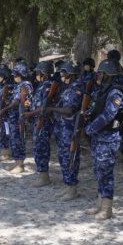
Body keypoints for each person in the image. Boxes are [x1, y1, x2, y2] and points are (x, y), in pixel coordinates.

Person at [85, 59, 123, 220]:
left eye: (101, 73)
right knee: (98, 171)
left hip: (108, 138)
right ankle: (99, 204)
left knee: (106, 172)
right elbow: (96, 108)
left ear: (107, 75)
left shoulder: (115, 93)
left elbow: (108, 115)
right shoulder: (102, 90)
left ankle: (107, 209)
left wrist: (90, 128)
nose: (98, 75)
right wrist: (88, 114)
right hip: (98, 138)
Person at [45, 62, 87, 200]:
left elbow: (69, 110)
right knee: (63, 157)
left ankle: (72, 189)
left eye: (64, 73)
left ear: (71, 74)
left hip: (70, 129)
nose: (62, 76)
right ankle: (67, 186)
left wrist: (52, 109)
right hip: (62, 128)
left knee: (70, 158)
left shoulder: (76, 88)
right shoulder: (68, 87)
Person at [23, 61, 58, 187]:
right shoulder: (41, 85)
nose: (36, 75)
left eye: (38, 72)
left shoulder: (48, 86)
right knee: (37, 148)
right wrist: (29, 105)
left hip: (43, 122)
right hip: (37, 120)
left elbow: (45, 106)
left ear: (44, 73)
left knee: (41, 148)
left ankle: (44, 177)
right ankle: (42, 175)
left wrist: (30, 114)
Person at [0, 63, 33, 173]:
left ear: (21, 74)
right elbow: (14, 100)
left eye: (16, 75)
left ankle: (20, 165)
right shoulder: (19, 85)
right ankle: (16, 163)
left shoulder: (25, 85)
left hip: (19, 117)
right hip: (13, 117)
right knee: (14, 141)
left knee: (19, 141)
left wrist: (5, 109)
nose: (14, 77)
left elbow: (18, 102)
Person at [0, 65, 14, 161]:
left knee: (5, 133)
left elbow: (7, 101)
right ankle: (4, 152)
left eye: (1, 77)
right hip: (1, 113)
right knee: (1, 132)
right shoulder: (2, 86)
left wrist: (2, 113)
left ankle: (6, 153)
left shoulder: (9, 87)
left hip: (6, 115)